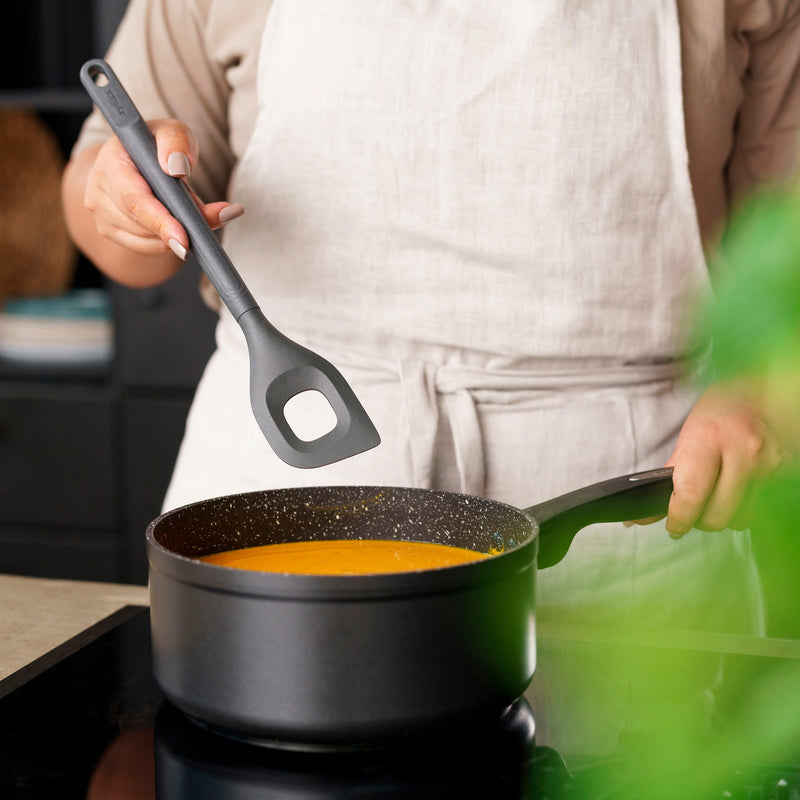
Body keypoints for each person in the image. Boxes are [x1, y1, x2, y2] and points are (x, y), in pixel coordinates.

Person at [62, 0, 800, 750]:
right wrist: (122, 202)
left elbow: (788, 250)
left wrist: (766, 391)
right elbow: (112, 220)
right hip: (279, 509)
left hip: (624, 508)